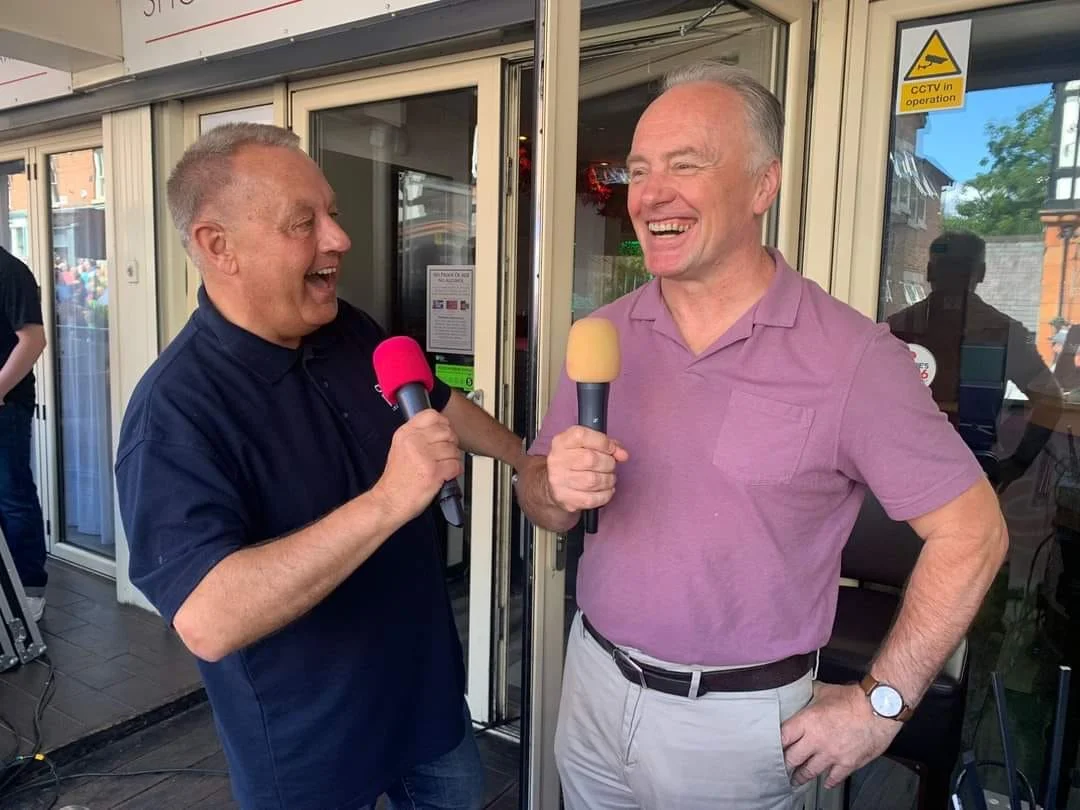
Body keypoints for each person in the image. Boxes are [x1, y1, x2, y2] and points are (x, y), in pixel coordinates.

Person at [514, 61, 1008, 809]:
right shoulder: (603, 334)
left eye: (688, 164)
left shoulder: (852, 356)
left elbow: (974, 533)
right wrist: (551, 486)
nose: (651, 193)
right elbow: (541, 493)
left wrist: (882, 703)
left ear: (761, 187)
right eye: (640, 169)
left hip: (738, 729)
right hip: (591, 684)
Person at [115, 123, 526, 810]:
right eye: (304, 222)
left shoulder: (350, 329)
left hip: (428, 711)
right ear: (220, 247)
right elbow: (207, 619)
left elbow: (438, 401)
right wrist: (389, 500)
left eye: (330, 213)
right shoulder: (175, 413)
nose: (339, 238)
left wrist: (525, 460)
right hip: (312, 760)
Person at [887, 231, 1062, 492]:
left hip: (969, 474)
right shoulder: (897, 329)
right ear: (981, 272)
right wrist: (1016, 464)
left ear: (927, 272)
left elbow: (1049, 400)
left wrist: (1017, 463)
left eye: (959, 269)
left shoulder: (1003, 333)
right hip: (901, 471)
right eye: (948, 268)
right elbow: (1050, 400)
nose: (953, 278)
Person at [0, 245, 48, 622]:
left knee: (13, 497)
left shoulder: (10, 272)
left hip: (7, 407)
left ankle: (30, 589)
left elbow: (33, 340)